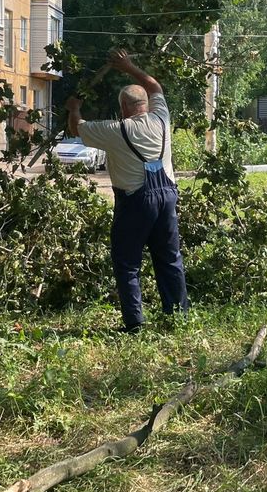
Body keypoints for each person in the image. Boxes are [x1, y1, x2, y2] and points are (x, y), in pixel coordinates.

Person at [65, 49, 189, 332]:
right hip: (167, 197)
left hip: (135, 202)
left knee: (127, 262)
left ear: (123, 107)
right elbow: (155, 86)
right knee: (169, 258)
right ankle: (178, 316)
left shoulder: (115, 129)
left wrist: (74, 108)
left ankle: (134, 324)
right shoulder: (162, 119)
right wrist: (129, 66)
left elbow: (77, 129)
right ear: (146, 103)